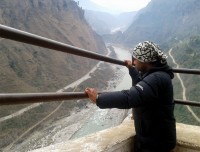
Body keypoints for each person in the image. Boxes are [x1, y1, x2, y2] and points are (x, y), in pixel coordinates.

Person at [85, 41, 176, 152]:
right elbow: (143, 87)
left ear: (145, 60)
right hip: (154, 136)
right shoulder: (155, 75)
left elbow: (130, 97)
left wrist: (99, 99)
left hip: (157, 143)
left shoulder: (157, 79)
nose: (134, 62)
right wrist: (132, 69)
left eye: (136, 59)